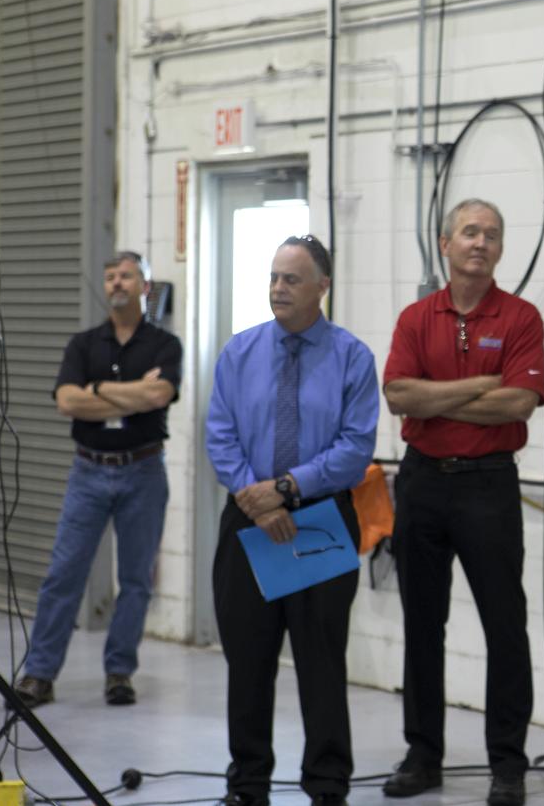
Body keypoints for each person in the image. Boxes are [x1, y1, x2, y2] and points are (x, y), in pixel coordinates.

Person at [381, 198, 544, 806]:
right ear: (445, 243)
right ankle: (422, 756)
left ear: (501, 249)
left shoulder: (522, 316)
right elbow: (399, 395)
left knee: (506, 626)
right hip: (422, 482)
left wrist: (436, 398)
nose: (481, 242)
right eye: (470, 232)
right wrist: (480, 385)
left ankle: (508, 764)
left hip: (489, 485)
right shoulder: (416, 318)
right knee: (423, 625)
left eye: (492, 235)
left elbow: (519, 404)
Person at [206, 235, 378, 806]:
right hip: (250, 521)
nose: (279, 288)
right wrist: (257, 499)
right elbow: (220, 434)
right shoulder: (239, 352)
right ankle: (247, 784)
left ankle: (327, 785)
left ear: (322, 287)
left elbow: (355, 449)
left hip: (318, 521)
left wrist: (286, 489)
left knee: (321, 663)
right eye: (275, 277)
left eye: (292, 279)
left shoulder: (352, 358)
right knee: (248, 663)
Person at [13, 251, 181, 709]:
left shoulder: (166, 347)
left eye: (126, 276)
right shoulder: (82, 345)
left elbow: (159, 393)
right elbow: (67, 402)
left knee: (136, 579)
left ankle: (119, 672)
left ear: (145, 286)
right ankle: (40, 675)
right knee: (63, 574)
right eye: (110, 277)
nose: (116, 283)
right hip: (88, 471)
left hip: (143, 471)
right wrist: (129, 395)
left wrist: (99, 392)